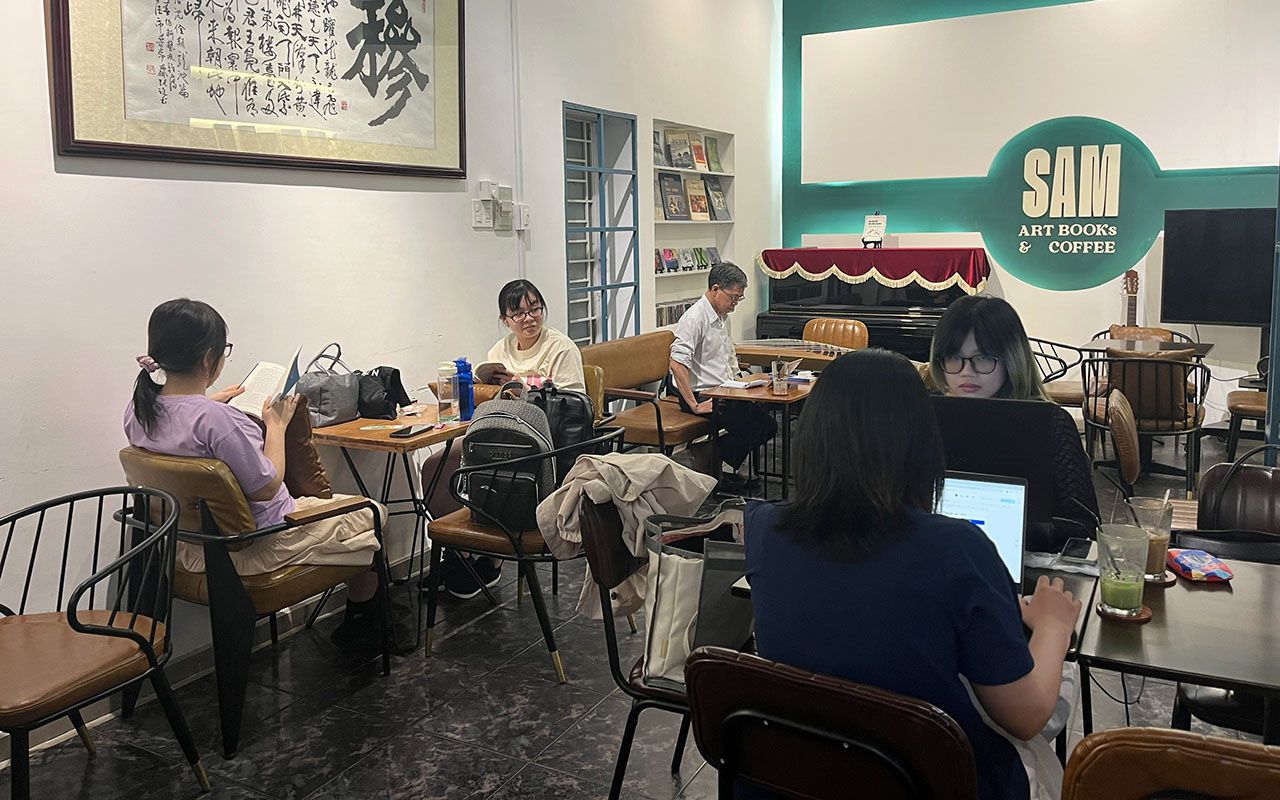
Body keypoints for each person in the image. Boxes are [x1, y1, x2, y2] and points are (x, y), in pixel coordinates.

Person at [746, 349, 1081, 800]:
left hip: (799, 777)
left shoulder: (764, 528)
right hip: (928, 781)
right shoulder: (957, 549)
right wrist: (1054, 624)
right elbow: (1026, 716)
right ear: (921, 443)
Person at [125, 299, 386, 651]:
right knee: (373, 512)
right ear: (208, 359)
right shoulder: (218, 421)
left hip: (186, 545)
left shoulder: (139, 410)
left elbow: (183, 429)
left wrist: (208, 402)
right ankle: (362, 625)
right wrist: (276, 426)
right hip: (259, 544)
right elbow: (266, 486)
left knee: (351, 513)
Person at [928, 295, 1100, 545]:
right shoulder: (926, 416)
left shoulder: (1051, 423)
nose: (966, 371)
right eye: (954, 357)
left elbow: (1086, 526)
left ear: (1011, 358)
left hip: (1029, 559)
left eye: (983, 357)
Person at [668, 262, 776, 484]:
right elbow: (677, 364)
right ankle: (710, 461)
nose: (735, 303)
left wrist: (741, 383)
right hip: (700, 394)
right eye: (733, 297)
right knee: (750, 428)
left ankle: (709, 455)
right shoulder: (695, 318)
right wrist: (694, 405)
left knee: (768, 425)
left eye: (739, 298)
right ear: (715, 289)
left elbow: (726, 357)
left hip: (724, 390)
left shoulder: (721, 316)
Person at [484, 279, 586, 392]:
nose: (529, 318)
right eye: (519, 314)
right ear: (505, 320)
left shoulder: (561, 348)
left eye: (534, 309)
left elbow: (573, 400)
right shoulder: (499, 351)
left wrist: (526, 391)